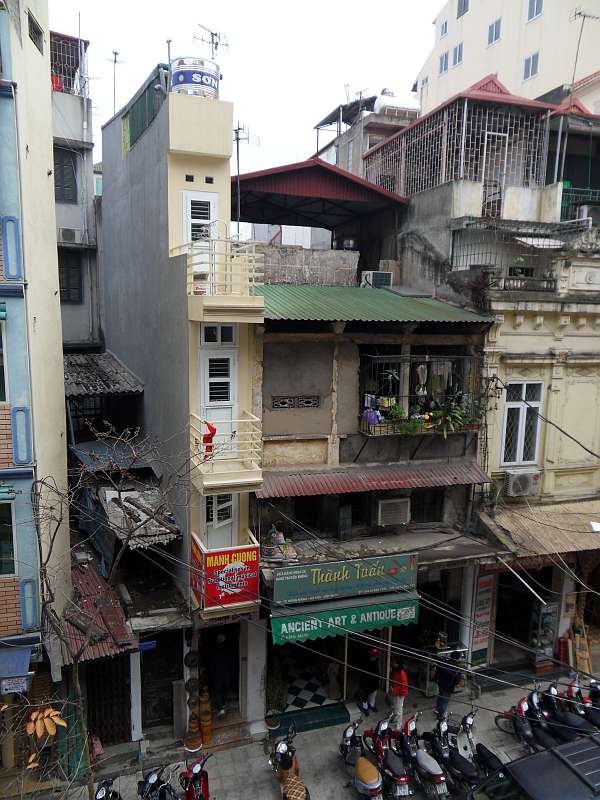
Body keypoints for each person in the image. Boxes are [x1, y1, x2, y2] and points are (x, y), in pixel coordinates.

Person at [434, 651, 462, 719]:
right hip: (448, 688)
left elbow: (437, 670)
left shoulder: (444, 662)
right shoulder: (457, 669)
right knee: (444, 702)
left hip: (440, 684)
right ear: (457, 659)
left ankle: (437, 710)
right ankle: (440, 717)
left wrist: (436, 679)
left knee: (440, 696)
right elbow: (457, 681)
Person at [358, 647, 381, 715]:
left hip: (374, 682)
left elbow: (377, 671)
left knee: (373, 695)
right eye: (374, 654)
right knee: (365, 695)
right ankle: (365, 708)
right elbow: (362, 674)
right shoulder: (365, 662)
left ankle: (371, 705)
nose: (375, 655)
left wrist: (378, 677)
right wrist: (362, 684)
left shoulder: (376, 661)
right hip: (366, 681)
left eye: (376, 654)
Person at [389, 658, 409, 726]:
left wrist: (402, 693)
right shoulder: (395, 670)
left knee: (399, 710)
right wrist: (391, 686)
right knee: (395, 707)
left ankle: (399, 725)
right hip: (395, 692)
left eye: (395, 663)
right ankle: (395, 719)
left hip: (400, 693)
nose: (393, 663)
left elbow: (404, 684)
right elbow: (392, 679)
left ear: (398, 664)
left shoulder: (401, 673)